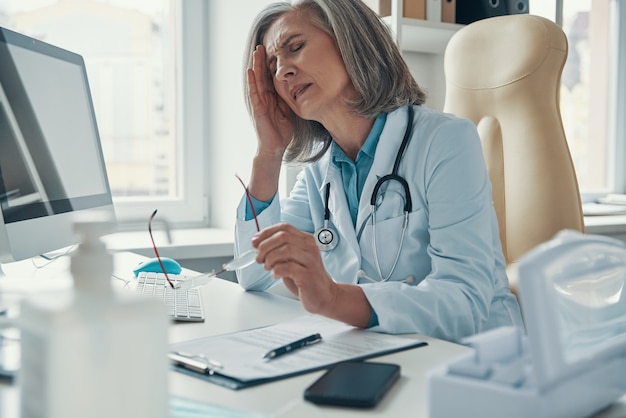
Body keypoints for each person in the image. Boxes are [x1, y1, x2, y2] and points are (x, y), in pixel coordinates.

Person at [234, 0, 523, 342]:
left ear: (349, 40)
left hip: (476, 359)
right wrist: (269, 153)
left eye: (295, 47)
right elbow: (252, 273)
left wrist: (333, 298)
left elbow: (465, 302)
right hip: (381, 352)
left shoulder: (445, 140)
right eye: (272, 67)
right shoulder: (320, 171)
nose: (282, 71)